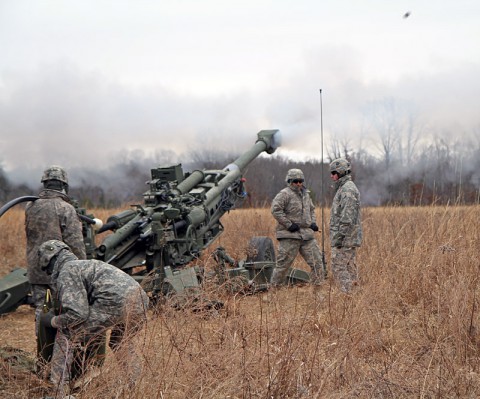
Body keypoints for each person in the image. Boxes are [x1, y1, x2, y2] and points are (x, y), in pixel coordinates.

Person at [38, 239, 149, 396]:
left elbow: (77, 314)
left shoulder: (67, 271)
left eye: (46, 268)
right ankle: (137, 388)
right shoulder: (85, 265)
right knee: (121, 342)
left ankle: (58, 392)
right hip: (141, 301)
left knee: (67, 334)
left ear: (49, 260)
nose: (48, 272)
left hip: (113, 303)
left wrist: (52, 321)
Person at [25, 165, 86, 339]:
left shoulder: (30, 205)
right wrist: (81, 270)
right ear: (63, 185)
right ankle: (60, 351)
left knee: (42, 308)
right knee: (62, 310)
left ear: (44, 183)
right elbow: (76, 244)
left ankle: (43, 350)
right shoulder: (65, 208)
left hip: (36, 269)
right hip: (58, 271)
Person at [270, 168, 324, 286]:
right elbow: (275, 210)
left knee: (318, 264)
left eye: (301, 181)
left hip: (307, 236)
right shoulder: (284, 194)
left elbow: (312, 209)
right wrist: (289, 225)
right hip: (289, 236)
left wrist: (312, 223)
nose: (299, 184)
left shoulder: (306, 194)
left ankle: (318, 294)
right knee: (282, 267)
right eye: (295, 181)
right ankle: (274, 293)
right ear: (289, 181)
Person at [329, 158, 363, 293]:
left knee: (338, 267)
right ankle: (355, 296)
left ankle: (348, 295)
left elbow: (347, 217)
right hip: (347, 237)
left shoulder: (347, 189)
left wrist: (339, 236)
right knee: (349, 267)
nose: (331, 176)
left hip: (345, 238)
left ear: (341, 172)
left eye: (333, 172)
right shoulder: (343, 188)